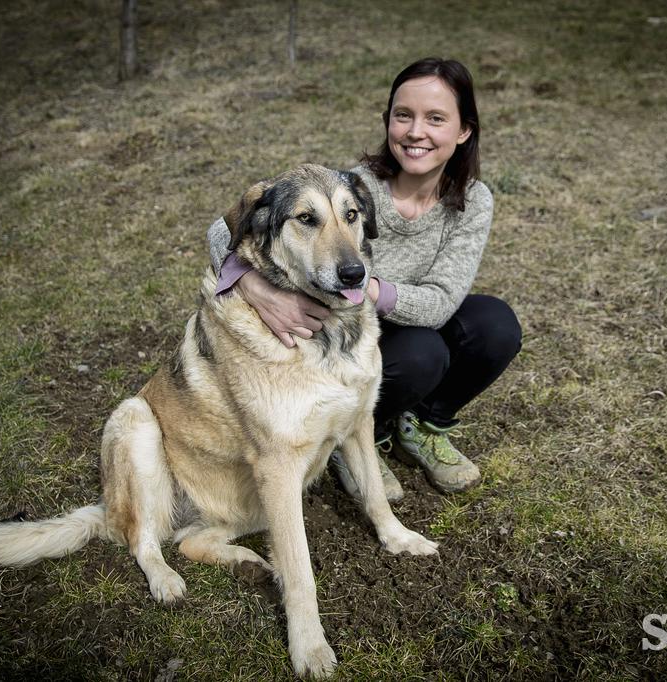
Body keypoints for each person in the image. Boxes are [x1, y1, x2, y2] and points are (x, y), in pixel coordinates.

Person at [206, 57, 521, 502]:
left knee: (494, 324)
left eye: (436, 119)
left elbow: (440, 303)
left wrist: (365, 284)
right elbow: (221, 231)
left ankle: (423, 425)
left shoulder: (472, 200)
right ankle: (350, 440)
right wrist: (254, 287)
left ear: (464, 129)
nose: (415, 132)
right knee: (422, 354)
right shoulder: (352, 186)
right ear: (387, 121)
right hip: (344, 330)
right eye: (403, 116)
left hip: (388, 309)